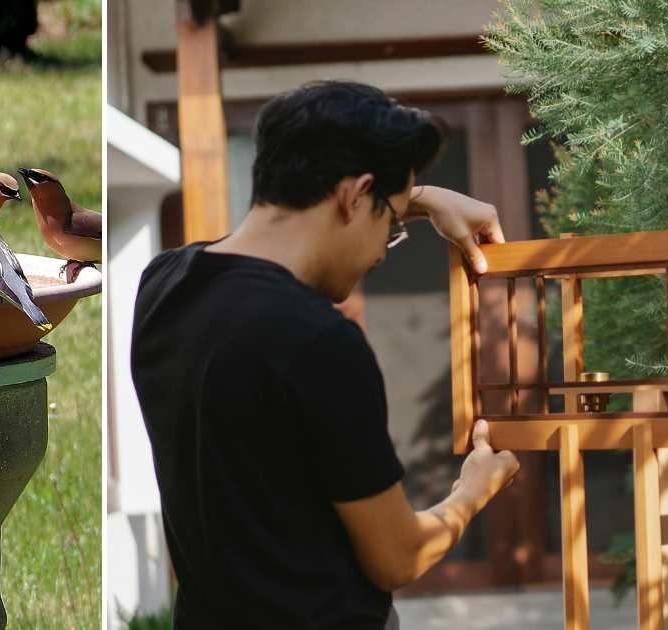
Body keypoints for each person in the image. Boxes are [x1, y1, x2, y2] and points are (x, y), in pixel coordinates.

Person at [130, 80, 521, 629]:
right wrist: (473, 491)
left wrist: (417, 199)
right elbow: (399, 556)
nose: (383, 252)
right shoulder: (316, 340)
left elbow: (265, 241)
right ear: (353, 196)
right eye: (388, 225)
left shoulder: (163, 285)